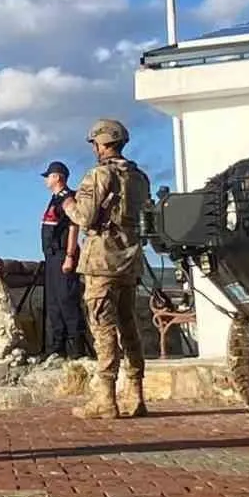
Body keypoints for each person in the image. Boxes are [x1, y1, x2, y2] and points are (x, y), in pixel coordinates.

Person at [61, 118, 153, 419]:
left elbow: (85, 218)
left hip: (102, 261)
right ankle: (136, 394)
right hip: (130, 260)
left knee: (103, 327)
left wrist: (68, 205)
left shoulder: (98, 175)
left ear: (101, 144)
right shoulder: (139, 177)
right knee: (129, 325)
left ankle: (106, 398)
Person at [38, 160, 89, 360]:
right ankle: (56, 348)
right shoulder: (55, 199)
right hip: (51, 256)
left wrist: (69, 256)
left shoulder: (68, 198)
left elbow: (73, 226)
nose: (46, 180)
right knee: (54, 303)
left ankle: (76, 349)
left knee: (67, 301)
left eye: (49, 176)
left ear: (57, 177)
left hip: (62, 255)